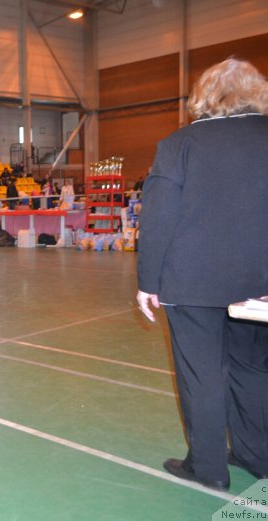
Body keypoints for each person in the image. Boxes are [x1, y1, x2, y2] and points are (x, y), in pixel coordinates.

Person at [136, 58, 268, 492]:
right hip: (261, 283)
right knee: (254, 370)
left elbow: (158, 217)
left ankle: (208, 468)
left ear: (205, 96)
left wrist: (148, 282)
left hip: (193, 283)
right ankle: (256, 455)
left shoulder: (181, 144)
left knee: (203, 374)